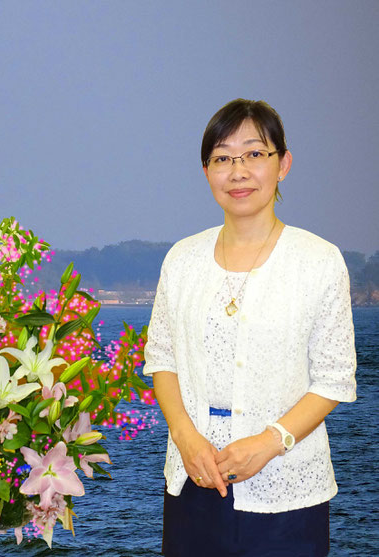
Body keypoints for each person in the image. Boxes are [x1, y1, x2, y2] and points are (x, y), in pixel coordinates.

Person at [143, 98, 357, 556]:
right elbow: (161, 358)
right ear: (206, 172)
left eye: (255, 154)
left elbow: (334, 378)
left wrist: (269, 442)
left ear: (284, 164)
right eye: (222, 158)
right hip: (193, 479)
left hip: (286, 490)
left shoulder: (318, 260)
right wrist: (184, 437)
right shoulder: (182, 259)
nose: (238, 171)